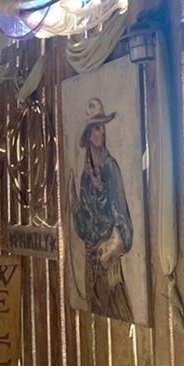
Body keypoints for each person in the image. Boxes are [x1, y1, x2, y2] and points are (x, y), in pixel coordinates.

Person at [70, 97, 134, 322]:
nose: (102, 133)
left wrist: (111, 246)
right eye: (97, 128)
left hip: (107, 256)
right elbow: (84, 223)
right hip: (91, 256)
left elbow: (121, 215)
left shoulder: (110, 167)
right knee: (95, 309)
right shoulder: (86, 175)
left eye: (103, 128)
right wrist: (74, 205)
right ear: (89, 135)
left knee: (115, 308)